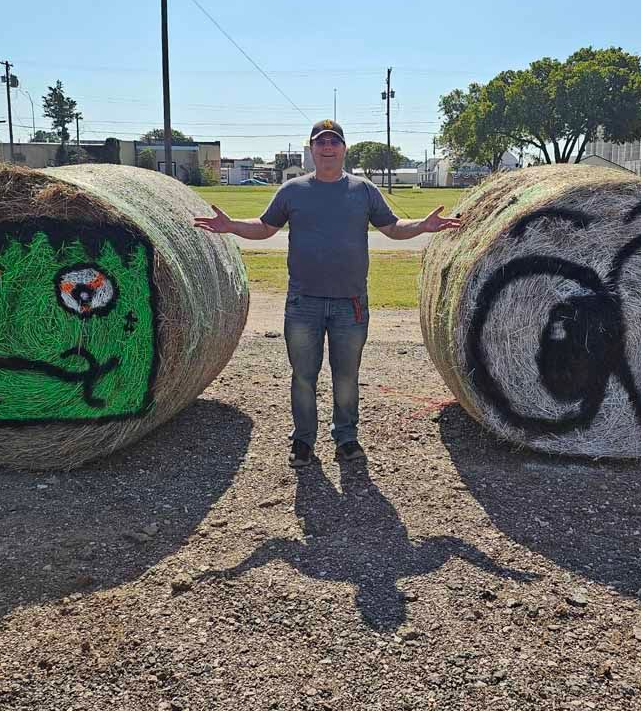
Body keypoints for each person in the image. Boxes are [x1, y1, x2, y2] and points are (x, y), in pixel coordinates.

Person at [194, 119, 462, 467]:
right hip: (303, 302)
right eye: (321, 142)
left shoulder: (363, 190)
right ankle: (303, 442)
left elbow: (393, 228)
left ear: (344, 148)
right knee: (303, 376)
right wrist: (231, 227)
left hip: (350, 304)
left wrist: (423, 226)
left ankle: (346, 439)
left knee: (346, 376)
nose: (328, 148)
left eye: (334, 142)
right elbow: (264, 228)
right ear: (312, 149)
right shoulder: (293, 191)